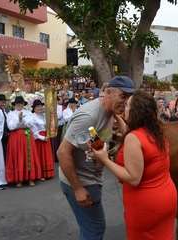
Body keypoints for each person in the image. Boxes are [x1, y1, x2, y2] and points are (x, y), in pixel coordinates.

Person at [91, 90, 177, 240]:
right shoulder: (157, 131)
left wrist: (105, 159)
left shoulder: (133, 138)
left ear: (136, 112)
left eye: (128, 106)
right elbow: (134, 134)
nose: (125, 108)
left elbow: (133, 178)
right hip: (166, 196)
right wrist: (118, 117)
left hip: (146, 204)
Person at [57, 76, 134, 240]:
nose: (126, 101)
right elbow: (62, 152)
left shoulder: (110, 111)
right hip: (81, 181)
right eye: (123, 96)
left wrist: (119, 120)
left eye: (129, 97)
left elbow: (95, 141)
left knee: (89, 227)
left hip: (93, 178)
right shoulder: (88, 116)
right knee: (95, 229)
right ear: (108, 93)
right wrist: (78, 188)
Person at [6, 96, 42, 187]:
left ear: (23, 104)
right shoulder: (11, 114)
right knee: (18, 156)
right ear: (14, 104)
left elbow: (30, 123)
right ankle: (18, 179)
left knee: (28, 156)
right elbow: (11, 126)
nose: (19, 105)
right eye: (18, 104)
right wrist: (20, 120)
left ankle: (30, 177)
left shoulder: (28, 112)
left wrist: (22, 121)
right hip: (16, 137)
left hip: (27, 135)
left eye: (21, 103)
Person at [31, 99, 55, 180]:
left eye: (41, 106)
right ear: (34, 108)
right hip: (39, 139)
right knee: (40, 155)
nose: (40, 108)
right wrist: (42, 138)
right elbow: (33, 131)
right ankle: (40, 174)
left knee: (46, 154)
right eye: (38, 106)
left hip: (46, 136)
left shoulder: (43, 116)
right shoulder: (32, 117)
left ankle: (47, 173)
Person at [0, 94, 9, 160]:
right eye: (1, 101)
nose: (4, 103)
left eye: (4, 101)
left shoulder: (5, 111)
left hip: (5, 136)